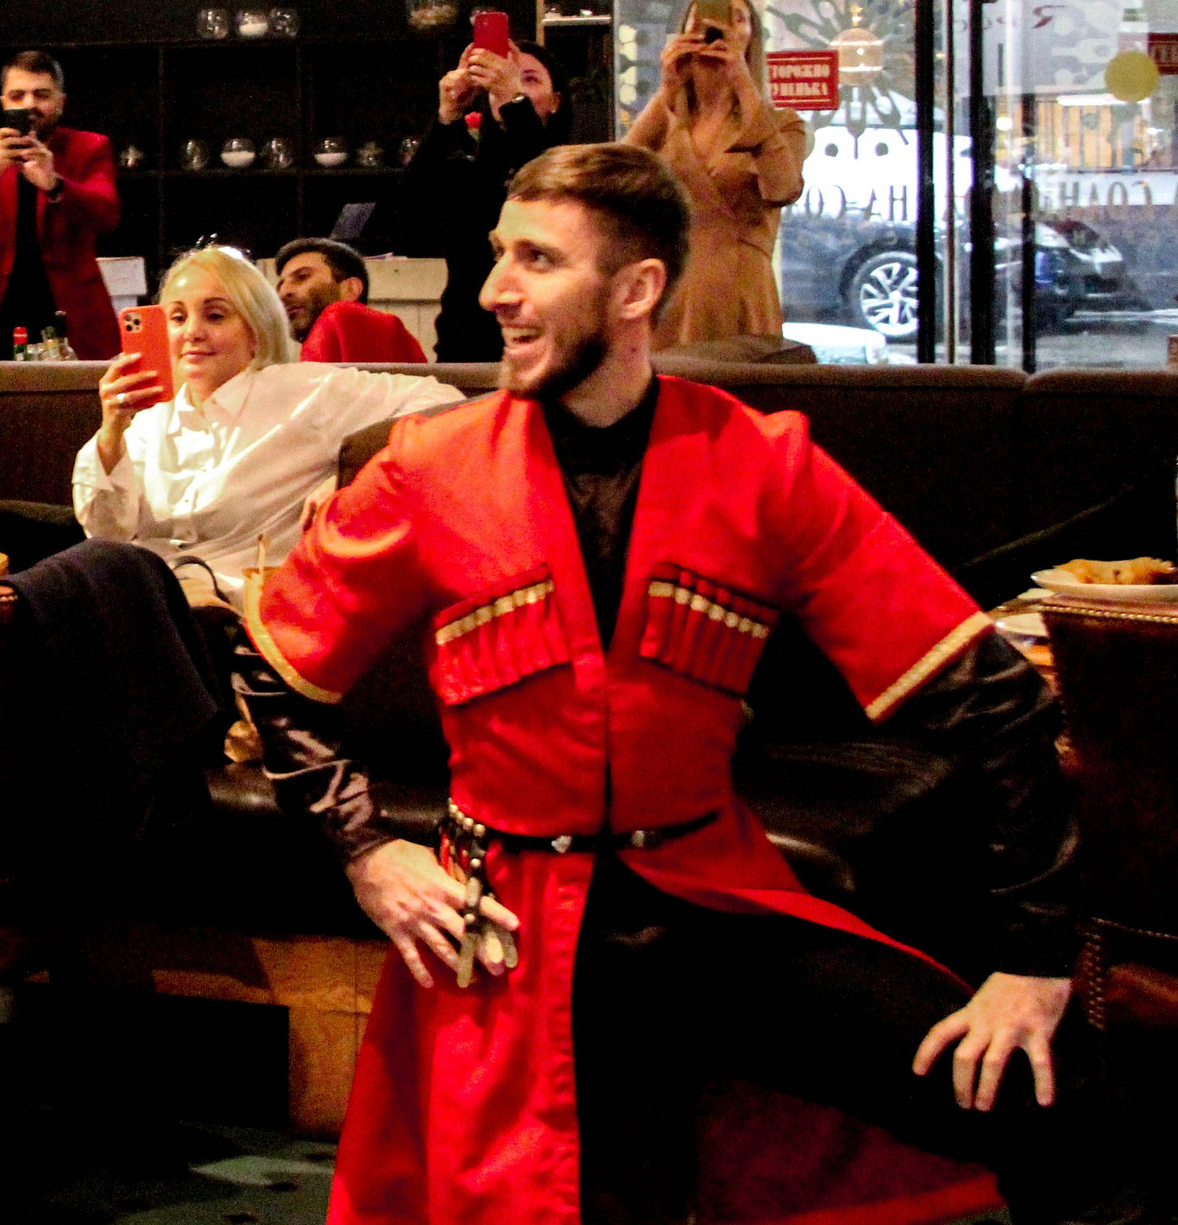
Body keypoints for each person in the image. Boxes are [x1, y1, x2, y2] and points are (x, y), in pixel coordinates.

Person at [236, 143, 1139, 1225]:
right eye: (497, 254)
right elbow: (274, 668)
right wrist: (368, 851)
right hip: (506, 932)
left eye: (535, 259)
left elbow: (992, 698)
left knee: (1049, 1099)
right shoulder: (426, 465)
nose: (494, 291)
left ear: (635, 289)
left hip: (711, 903)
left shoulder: (764, 463)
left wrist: (1033, 961)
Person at [76, 244, 454, 609]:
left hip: (242, 614)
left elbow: (442, 401)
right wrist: (111, 431)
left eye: (216, 316)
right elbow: (108, 533)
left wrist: (352, 479)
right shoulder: (147, 421)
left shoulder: (304, 393)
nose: (191, 331)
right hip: (141, 600)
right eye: (177, 317)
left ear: (255, 332)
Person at [625, 0, 810, 348]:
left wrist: (741, 80)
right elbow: (617, 174)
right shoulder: (668, 118)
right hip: (669, 293)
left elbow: (782, 187)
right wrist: (666, 91)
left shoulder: (782, 123)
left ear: (752, 36)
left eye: (737, 19)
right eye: (702, 22)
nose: (718, 30)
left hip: (740, 294)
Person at [383, 31, 567, 361]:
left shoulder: (572, 165)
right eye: (503, 77)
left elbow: (545, 190)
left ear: (556, 100)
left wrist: (515, 102)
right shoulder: (467, 165)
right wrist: (448, 115)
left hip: (548, 347)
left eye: (529, 80)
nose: (513, 87)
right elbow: (407, 221)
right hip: (464, 349)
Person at [0, 49, 122, 359]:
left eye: (41, 94)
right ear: (3, 102)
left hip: (72, 317)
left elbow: (108, 216)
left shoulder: (90, 148)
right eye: (17, 95)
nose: (29, 105)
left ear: (61, 101)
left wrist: (55, 184)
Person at [274, 236, 426, 364]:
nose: (284, 292)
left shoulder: (343, 314)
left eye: (302, 277)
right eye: (280, 285)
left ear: (350, 289)